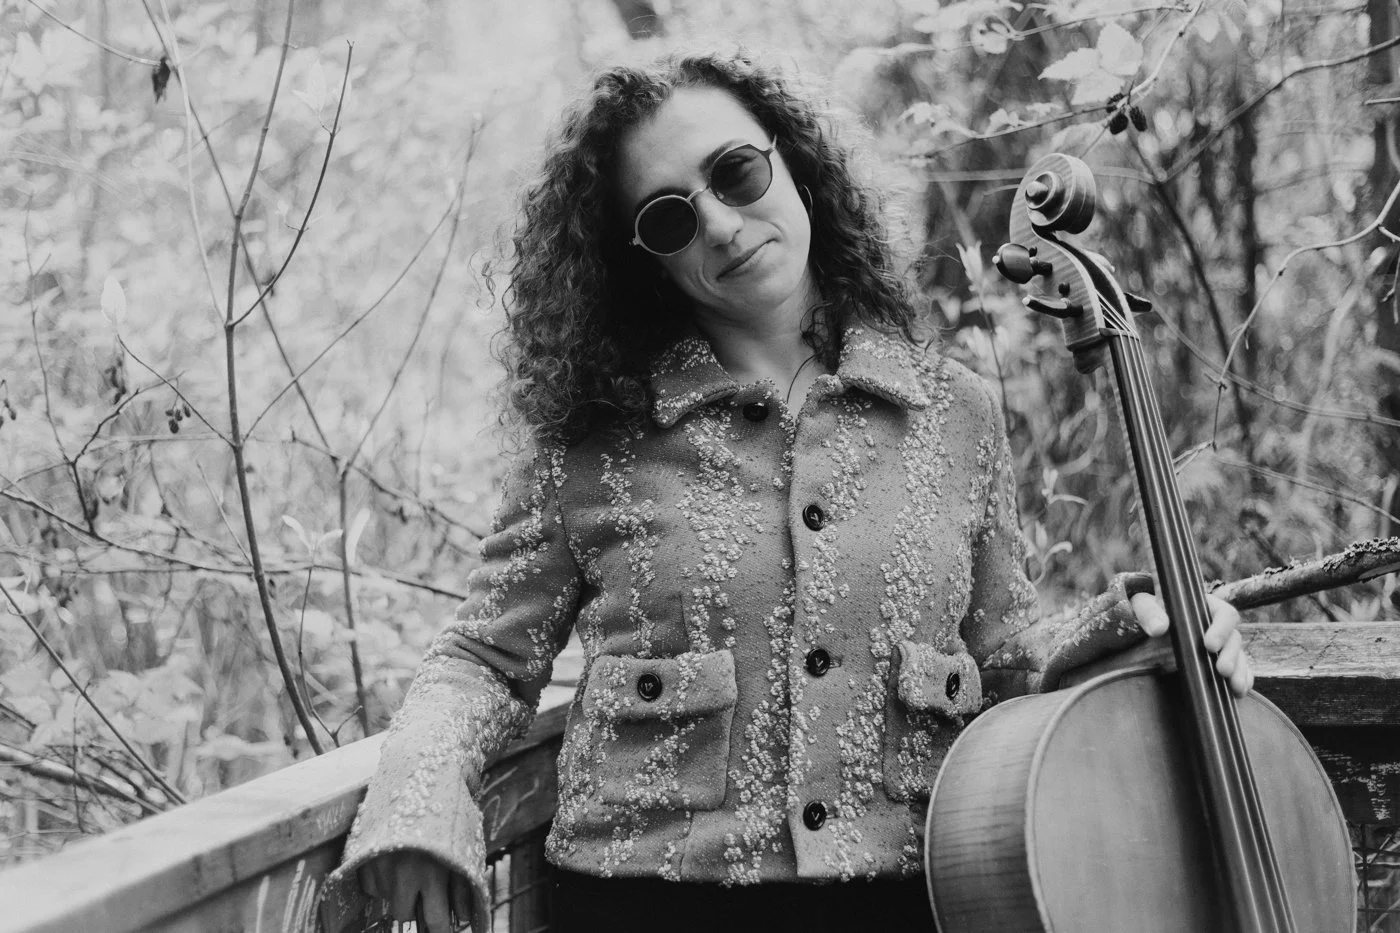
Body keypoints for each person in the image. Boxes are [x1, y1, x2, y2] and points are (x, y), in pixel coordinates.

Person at [320, 49, 1252, 933]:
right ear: (643, 257)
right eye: (670, 218)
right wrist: (417, 796)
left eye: (735, 173)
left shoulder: (954, 413)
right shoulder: (594, 442)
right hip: (645, 902)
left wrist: (1135, 624)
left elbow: (1002, 651)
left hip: (910, 892)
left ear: (795, 166)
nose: (720, 222)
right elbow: (485, 655)